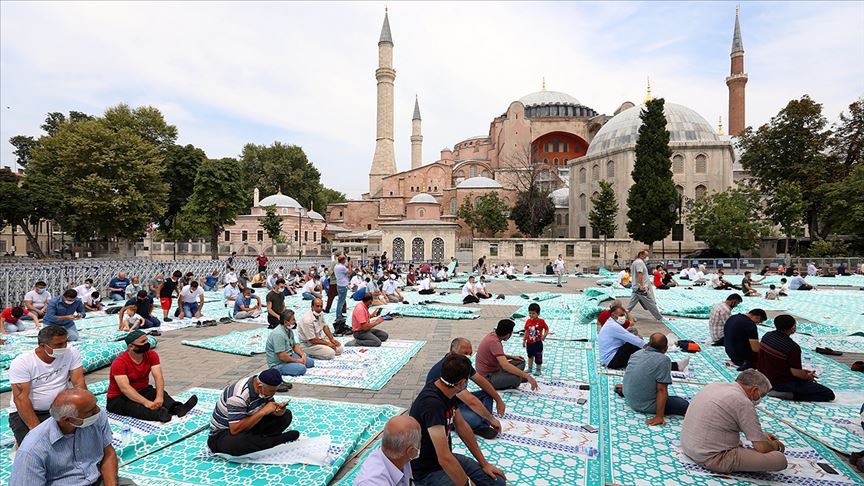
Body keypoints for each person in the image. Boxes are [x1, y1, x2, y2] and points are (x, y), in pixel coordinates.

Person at [409, 354, 507, 486]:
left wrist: (484, 464)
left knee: (497, 482)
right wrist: (467, 483)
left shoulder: (447, 391)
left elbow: (462, 427)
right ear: (462, 383)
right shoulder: (432, 405)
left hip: (446, 459)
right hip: (427, 471)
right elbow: (444, 458)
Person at [9, 388, 136, 486]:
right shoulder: (32, 450)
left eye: (96, 405)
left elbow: (108, 453)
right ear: (67, 420)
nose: (98, 411)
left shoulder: (97, 418)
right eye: (91, 411)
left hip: (97, 481)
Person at [680, 369, 787, 474]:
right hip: (712, 457)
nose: (760, 399)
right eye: (761, 395)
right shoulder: (743, 402)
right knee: (779, 460)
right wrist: (775, 445)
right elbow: (762, 448)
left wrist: (761, 435)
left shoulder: (714, 386)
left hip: (688, 446)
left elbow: (729, 420)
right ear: (754, 390)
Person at [8, 326, 86, 446]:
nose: (64, 347)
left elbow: (79, 383)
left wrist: (84, 409)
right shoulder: (22, 363)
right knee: (36, 447)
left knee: (80, 439)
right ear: (43, 346)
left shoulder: (71, 353)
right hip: (28, 412)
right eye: (59, 345)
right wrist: (35, 428)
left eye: (66, 342)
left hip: (59, 408)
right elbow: (20, 398)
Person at [107, 331, 198, 422]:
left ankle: (177, 408)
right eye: (143, 342)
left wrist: (159, 397)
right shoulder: (119, 362)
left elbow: (158, 377)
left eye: (146, 340)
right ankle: (159, 415)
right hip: (119, 397)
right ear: (131, 346)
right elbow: (125, 388)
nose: (147, 344)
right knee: (133, 406)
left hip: (142, 390)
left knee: (160, 393)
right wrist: (146, 402)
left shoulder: (151, 355)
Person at [207, 369, 300, 456]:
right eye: (272, 391)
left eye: (275, 391)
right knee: (240, 443)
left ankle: (260, 440)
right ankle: (276, 440)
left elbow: (268, 408)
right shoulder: (238, 397)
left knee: (286, 415)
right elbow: (235, 430)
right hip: (224, 434)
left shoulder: (263, 387)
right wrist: (262, 412)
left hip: (249, 424)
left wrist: (277, 411)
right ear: (260, 387)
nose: (273, 394)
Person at [426, 338, 506, 440]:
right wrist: (491, 419)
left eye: (470, 353)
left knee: (488, 394)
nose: (468, 356)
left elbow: (481, 380)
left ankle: (480, 422)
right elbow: (470, 400)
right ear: (452, 352)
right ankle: (478, 424)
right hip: (442, 408)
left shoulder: (461, 363)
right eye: (465, 353)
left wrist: (498, 399)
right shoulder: (449, 369)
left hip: (455, 400)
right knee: (474, 418)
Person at [758, 315, 835, 402]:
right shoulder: (792, 347)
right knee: (828, 394)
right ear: (793, 327)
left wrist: (802, 372)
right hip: (780, 383)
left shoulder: (767, 336)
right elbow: (796, 373)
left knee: (809, 385)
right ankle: (786, 394)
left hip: (763, 378)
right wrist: (807, 377)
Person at [617, 333, 689, 425]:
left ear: (648, 344)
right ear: (665, 349)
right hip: (646, 404)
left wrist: (625, 387)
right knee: (683, 404)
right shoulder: (664, 360)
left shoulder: (637, 353)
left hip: (629, 397)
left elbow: (633, 375)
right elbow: (662, 390)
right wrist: (659, 416)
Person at [599, 305, 689, 371]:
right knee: (635, 346)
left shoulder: (612, 323)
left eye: (623, 315)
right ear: (613, 316)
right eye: (621, 315)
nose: (623, 317)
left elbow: (629, 332)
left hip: (612, 356)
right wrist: (646, 346)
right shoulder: (613, 326)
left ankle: (664, 363)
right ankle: (672, 366)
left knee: (637, 346)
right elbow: (631, 339)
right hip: (612, 360)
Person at [354, 415, 421, 486]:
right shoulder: (371, 482)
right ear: (410, 451)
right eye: (420, 440)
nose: (420, 444)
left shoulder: (399, 458)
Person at [476, 319, 538, 391]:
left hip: (495, 369)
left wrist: (513, 357)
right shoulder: (494, 342)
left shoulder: (493, 335)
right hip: (487, 378)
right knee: (516, 379)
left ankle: (512, 376)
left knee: (521, 361)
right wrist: (527, 376)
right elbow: (505, 365)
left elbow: (498, 355)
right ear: (508, 334)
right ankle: (512, 378)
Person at [265, 309, 314, 377]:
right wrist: (297, 361)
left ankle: (295, 363)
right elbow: (282, 356)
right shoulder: (278, 334)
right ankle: (280, 370)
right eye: (293, 320)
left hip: (289, 355)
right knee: (302, 368)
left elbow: (294, 345)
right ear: (286, 322)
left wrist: (302, 355)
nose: (295, 321)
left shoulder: (288, 330)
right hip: (279, 363)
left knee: (310, 362)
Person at [626, 250, 664, 321]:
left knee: (631, 304)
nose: (647, 257)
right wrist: (641, 285)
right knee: (650, 302)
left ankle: (624, 314)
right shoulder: (639, 262)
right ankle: (660, 317)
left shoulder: (635, 262)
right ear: (641, 255)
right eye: (646, 255)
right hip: (641, 288)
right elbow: (639, 273)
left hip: (636, 287)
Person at [523, 303, 548, 376]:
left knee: (538, 356)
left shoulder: (541, 321)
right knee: (530, 356)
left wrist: (544, 336)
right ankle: (530, 368)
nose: (531, 315)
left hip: (537, 343)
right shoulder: (528, 321)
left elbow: (546, 329)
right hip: (529, 343)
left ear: (538, 313)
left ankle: (538, 369)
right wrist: (524, 340)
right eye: (530, 313)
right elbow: (526, 331)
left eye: (533, 313)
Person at [334, 255, 351, 326]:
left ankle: (339, 314)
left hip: (339, 284)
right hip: (343, 285)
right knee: (341, 302)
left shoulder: (336, 266)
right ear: (343, 260)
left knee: (341, 301)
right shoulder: (342, 267)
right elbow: (350, 272)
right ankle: (338, 316)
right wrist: (350, 265)